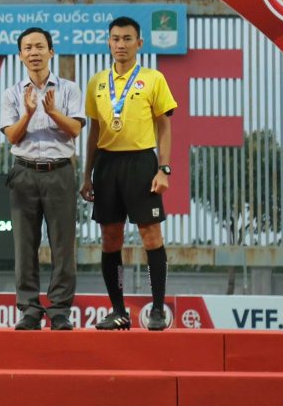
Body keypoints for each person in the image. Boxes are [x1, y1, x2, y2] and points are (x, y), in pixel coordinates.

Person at [80, 16, 177, 331]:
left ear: (139, 43)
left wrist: (163, 168)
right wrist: (86, 174)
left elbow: (164, 125)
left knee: (151, 236)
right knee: (110, 239)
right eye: (115, 39)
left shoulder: (153, 78)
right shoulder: (96, 82)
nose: (121, 44)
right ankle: (118, 310)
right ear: (108, 42)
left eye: (127, 39)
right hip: (107, 165)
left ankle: (158, 310)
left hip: (141, 163)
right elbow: (94, 131)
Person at [1, 27, 85, 331]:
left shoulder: (69, 89)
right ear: (20, 55)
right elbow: (11, 135)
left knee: (63, 245)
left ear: (51, 51)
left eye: (40, 46)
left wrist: (51, 112)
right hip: (24, 172)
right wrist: (28, 113)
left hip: (60, 171)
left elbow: (74, 129)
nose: (34, 53)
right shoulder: (12, 93)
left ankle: (60, 309)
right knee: (24, 245)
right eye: (28, 48)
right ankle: (30, 309)